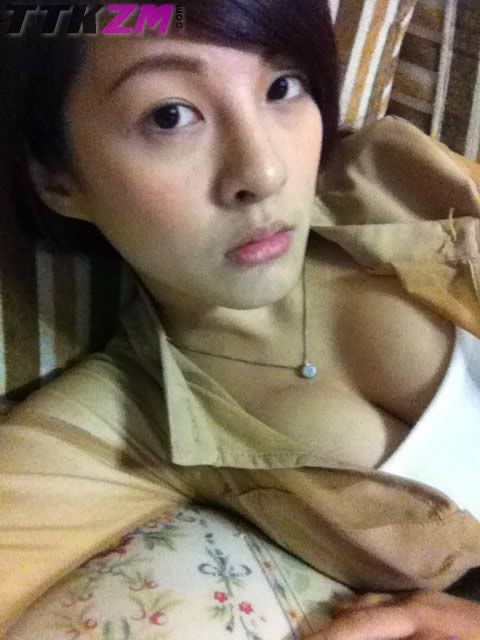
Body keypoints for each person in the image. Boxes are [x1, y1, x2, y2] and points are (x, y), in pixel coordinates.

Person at [2, 0, 480, 637]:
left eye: (282, 87)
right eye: (170, 116)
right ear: (58, 179)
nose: (264, 171)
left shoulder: (397, 178)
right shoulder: (125, 421)